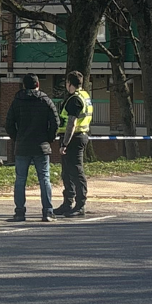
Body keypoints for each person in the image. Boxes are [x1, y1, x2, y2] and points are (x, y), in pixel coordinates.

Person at [4, 73, 60, 222]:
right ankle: (47, 212)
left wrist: (17, 138)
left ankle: (20, 212)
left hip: (22, 146)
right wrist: (49, 138)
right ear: (37, 85)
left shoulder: (17, 101)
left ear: (24, 85)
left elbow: (8, 124)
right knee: (44, 179)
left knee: (20, 179)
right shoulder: (45, 100)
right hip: (41, 145)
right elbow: (56, 122)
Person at [56, 71, 93, 218]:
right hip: (78, 136)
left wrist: (65, 143)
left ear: (69, 84)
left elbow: (72, 122)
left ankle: (80, 205)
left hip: (74, 139)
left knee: (76, 172)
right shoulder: (84, 96)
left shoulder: (75, 100)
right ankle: (67, 203)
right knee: (67, 172)